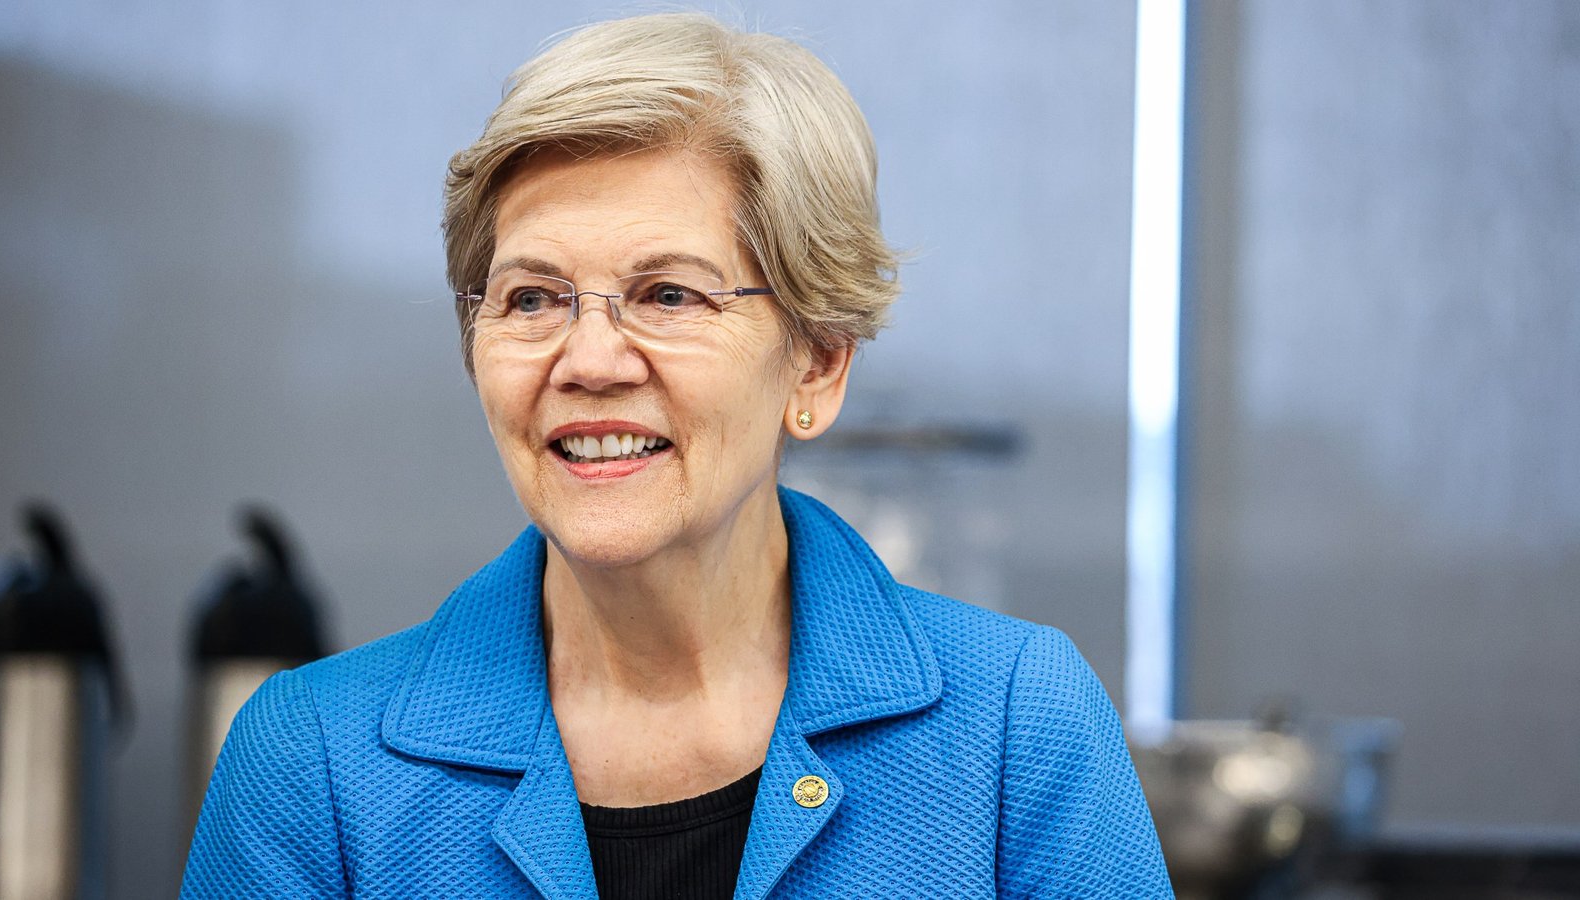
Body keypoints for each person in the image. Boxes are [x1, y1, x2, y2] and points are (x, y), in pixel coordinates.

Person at [182, 12, 1172, 899]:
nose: (589, 361)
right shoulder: (310, 763)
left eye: (668, 295)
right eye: (532, 298)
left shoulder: (1013, 727)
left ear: (818, 363)